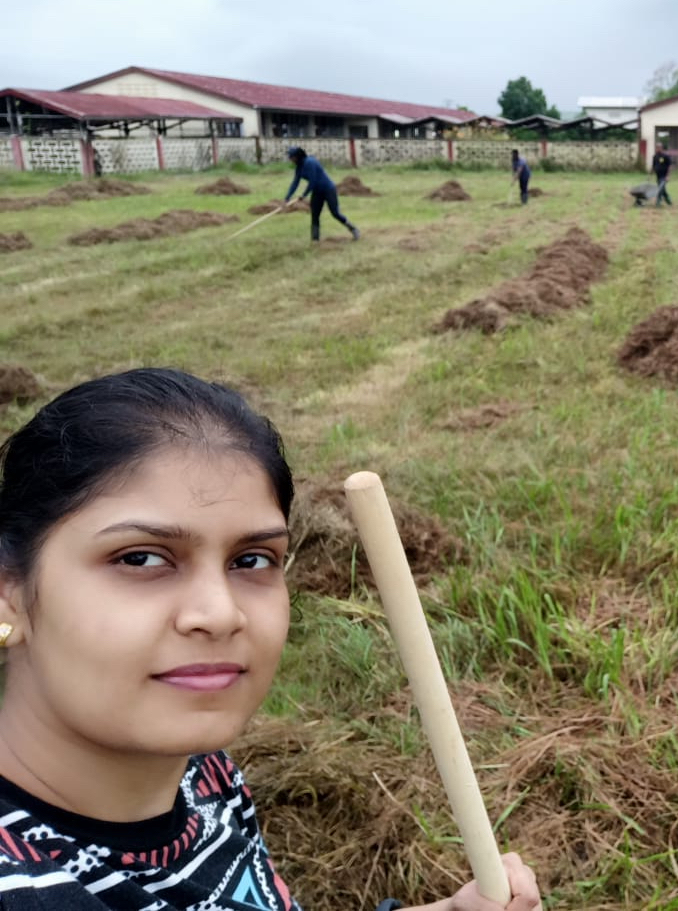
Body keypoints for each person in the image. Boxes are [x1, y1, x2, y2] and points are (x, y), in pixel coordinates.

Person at [0, 368, 542, 911]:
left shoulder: (197, 769)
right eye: (140, 558)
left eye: (251, 560)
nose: (220, 614)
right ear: (9, 596)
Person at [284, 146, 360, 242]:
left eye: (292, 157)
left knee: (335, 213)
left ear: (297, 156)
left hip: (328, 189)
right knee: (315, 215)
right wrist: (287, 198)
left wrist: (304, 195)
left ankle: (353, 229)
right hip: (317, 192)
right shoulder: (299, 168)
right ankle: (315, 240)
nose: (290, 160)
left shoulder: (310, 162)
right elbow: (295, 183)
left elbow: (313, 181)